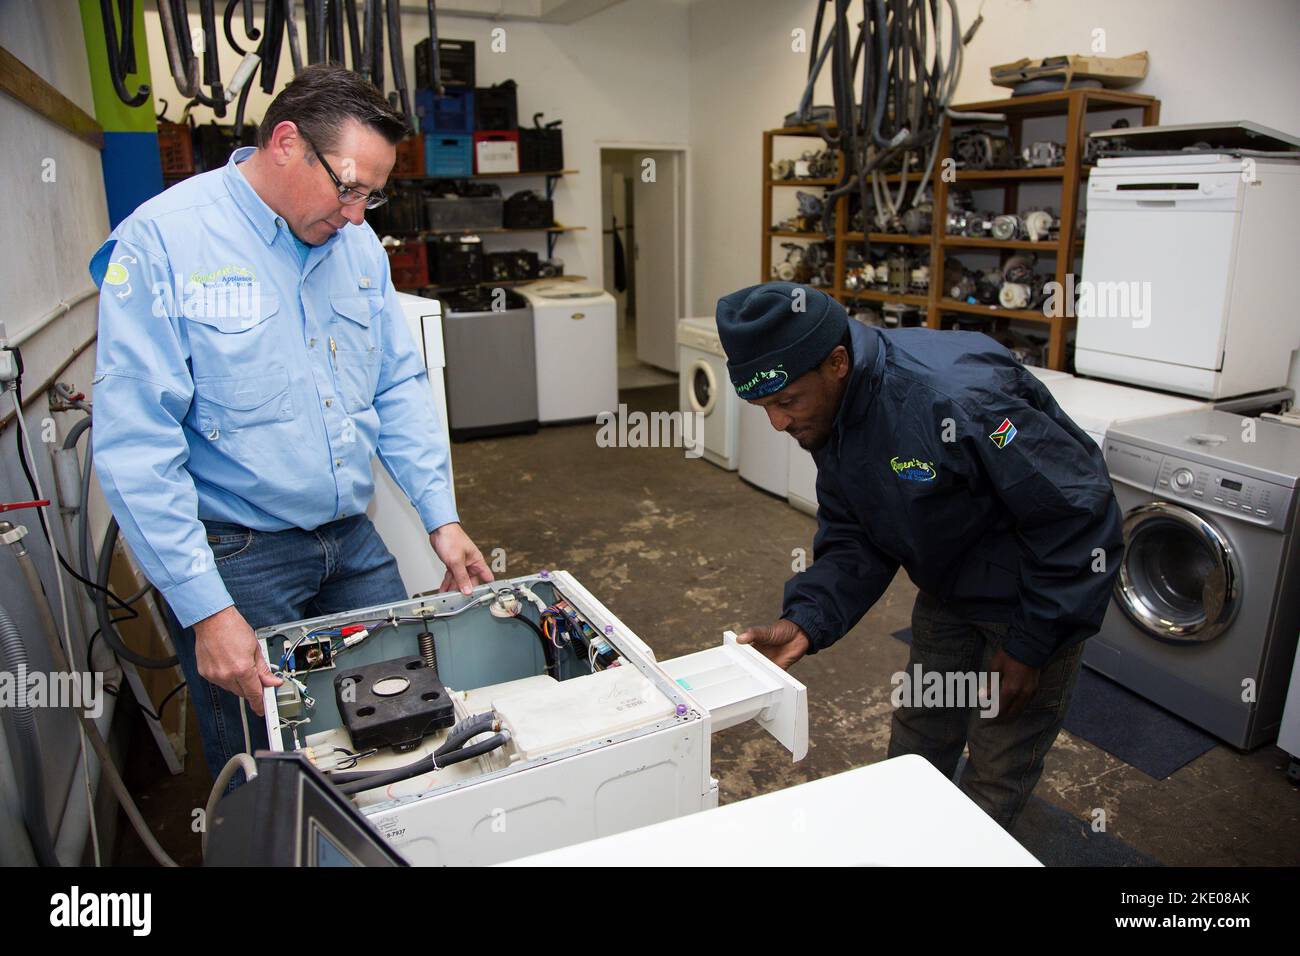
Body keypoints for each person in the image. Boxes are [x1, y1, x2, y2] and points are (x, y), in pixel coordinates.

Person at [88, 65, 493, 778]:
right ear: (285, 143)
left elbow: (395, 383)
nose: (359, 213)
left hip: (350, 538)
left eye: (374, 193)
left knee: (403, 717)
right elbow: (135, 444)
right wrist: (205, 609)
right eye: (348, 186)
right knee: (264, 760)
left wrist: (440, 516)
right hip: (239, 556)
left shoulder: (356, 246)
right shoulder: (163, 244)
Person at [720, 281, 1123, 829]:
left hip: (1035, 598)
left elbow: (1078, 513)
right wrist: (805, 621)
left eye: (786, 402)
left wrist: (1032, 647)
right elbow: (855, 533)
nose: (778, 423)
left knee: (997, 766)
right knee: (918, 737)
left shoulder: (958, 397)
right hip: (950, 590)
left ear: (837, 363)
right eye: (763, 406)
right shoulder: (833, 413)